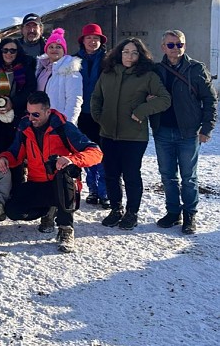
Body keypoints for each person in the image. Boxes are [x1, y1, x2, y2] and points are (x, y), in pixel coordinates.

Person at [0, 91, 103, 253]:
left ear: (48, 111)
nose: (31, 118)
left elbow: (96, 152)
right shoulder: (25, 127)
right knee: (13, 210)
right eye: (29, 113)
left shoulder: (64, 128)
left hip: (62, 186)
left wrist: (71, 160)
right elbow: (15, 153)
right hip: (37, 183)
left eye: (36, 114)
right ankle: (48, 210)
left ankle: (66, 228)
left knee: (64, 172)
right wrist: (4, 158)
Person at [91, 38, 171, 230]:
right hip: (108, 133)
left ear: (140, 55)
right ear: (119, 53)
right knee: (111, 175)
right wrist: (99, 117)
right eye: (126, 51)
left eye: (134, 52)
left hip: (134, 136)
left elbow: (164, 99)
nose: (129, 56)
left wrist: (141, 111)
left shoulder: (147, 75)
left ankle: (131, 212)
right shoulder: (108, 73)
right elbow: (96, 97)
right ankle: (116, 209)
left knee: (131, 175)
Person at [151, 29, 218, 234]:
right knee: (167, 176)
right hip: (163, 130)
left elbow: (210, 99)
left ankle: (190, 214)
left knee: (189, 177)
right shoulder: (156, 70)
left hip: (188, 131)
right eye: (170, 45)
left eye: (179, 44)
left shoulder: (196, 68)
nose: (175, 48)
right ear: (163, 47)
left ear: (184, 45)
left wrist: (207, 127)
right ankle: (173, 212)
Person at [0, 37, 36, 169]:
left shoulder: (25, 69)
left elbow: (29, 90)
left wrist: (13, 102)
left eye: (12, 51)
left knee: (15, 152)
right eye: (5, 50)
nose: (9, 54)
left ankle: (16, 183)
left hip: (17, 117)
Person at [73, 23, 109, 207]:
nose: (92, 41)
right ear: (83, 40)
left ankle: (104, 191)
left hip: (102, 113)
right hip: (80, 114)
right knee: (86, 152)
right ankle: (92, 189)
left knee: (102, 153)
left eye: (96, 38)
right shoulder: (74, 60)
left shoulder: (108, 60)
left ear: (101, 41)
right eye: (89, 38)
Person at [35, 28, 83, 125]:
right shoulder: (43, 70)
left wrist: (67, 124)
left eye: (58, 47)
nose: (54, 50)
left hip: (59, 123)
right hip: (41, 121)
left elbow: (74, 101)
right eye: (51, 47)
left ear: (64, 50)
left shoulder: (70, 70)